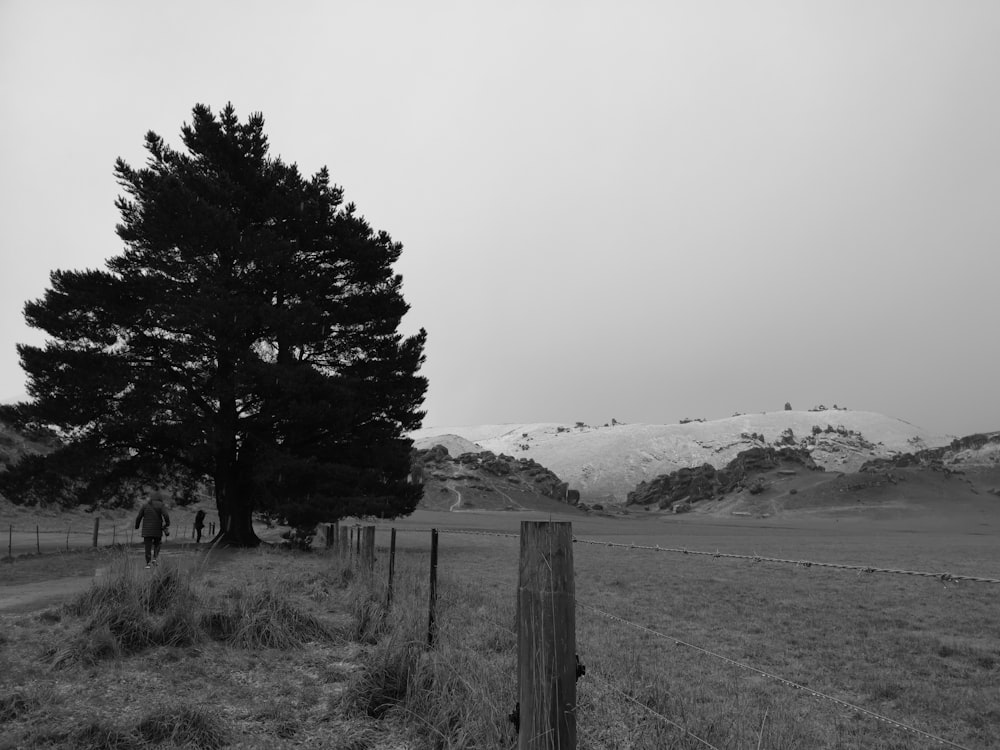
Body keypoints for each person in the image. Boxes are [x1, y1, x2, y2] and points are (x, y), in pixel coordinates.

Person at [134, 491, 170, 568]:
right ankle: (155, 559)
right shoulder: (161, 505)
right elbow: (166, 515)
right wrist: (167, 524)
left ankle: (148, 563)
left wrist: (137, 526)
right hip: (157, 529)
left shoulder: (145, 505)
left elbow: (139, 516)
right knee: (157, 544)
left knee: (148, 546)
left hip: (147, 530)